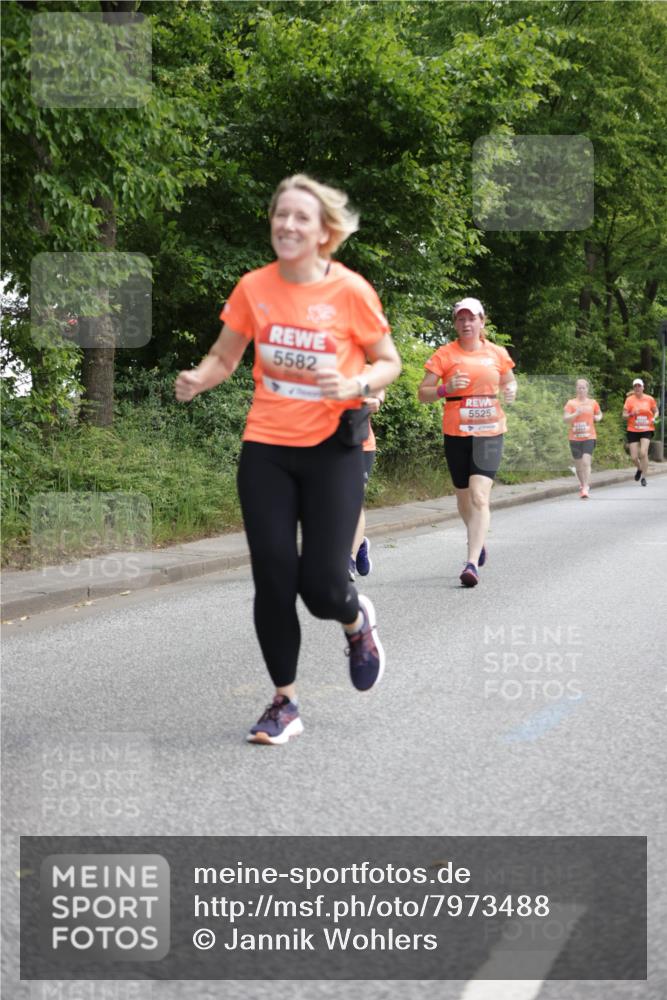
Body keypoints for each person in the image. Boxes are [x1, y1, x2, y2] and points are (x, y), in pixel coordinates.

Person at [175, 174, 401, 744]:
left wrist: (353, 382)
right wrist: (198, 379)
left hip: (333, 453)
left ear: (325, 230)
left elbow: (388, 362)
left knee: (322, 586)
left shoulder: (351, 291)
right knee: (272, 578)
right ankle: (285, 702)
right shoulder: (254, 287)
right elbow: (224, 358)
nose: (288, 225)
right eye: (281, 215)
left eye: (301, 217)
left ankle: (356, 622)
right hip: (267, 449)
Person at [418, 297, 516, 588]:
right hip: (456, 433)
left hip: (490, 431)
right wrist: (445, 389)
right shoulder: (444, 354)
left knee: (479, 495)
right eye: (460, 319)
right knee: (463, 497)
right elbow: (422, 392)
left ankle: (471, 562)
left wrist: (511, 390)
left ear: (482, 321)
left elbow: (509, 380)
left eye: (471, 318)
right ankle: (478, 536)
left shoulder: (497, 353)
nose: (466, 323)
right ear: (455, 324)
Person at [348, 371, 384, 581]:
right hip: (326, 446)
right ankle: (359, 542)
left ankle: (349, 560)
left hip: (361, 446)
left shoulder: (362, 366)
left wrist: (376, 399)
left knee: (353, 501)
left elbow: (380, 383)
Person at [563, 378, 602, 498]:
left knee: (586, 461)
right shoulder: (571, 403)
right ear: (576, 389)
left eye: (583, 387)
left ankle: (585, 487)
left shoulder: (593, 402)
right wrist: (575, 414)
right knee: (579, 466)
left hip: (589, 436)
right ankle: (582, 484)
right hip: (574, 438)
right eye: (579, 387)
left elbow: (599, 413)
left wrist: (598, 418)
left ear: (587, 389)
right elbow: (565, 419)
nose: (581, 390)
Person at [623, 378, 659, 487]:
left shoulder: (649, 399)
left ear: (643, 387)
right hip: (633, 429)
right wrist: (631, 414)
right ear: (634, 388)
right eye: (635, 386)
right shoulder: (629, 400)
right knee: (634, 457)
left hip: (646, 428)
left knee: (643, 453)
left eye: (639, 386)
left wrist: (654, 418)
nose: (637, 388)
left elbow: (656, 411)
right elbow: (623, 415)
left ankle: (644, 477)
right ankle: (639, 468)